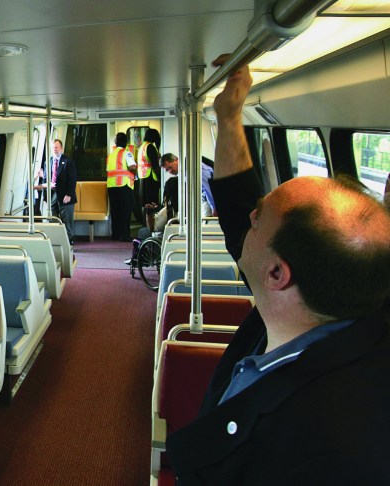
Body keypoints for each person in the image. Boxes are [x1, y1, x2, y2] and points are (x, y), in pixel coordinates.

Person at [165, 55, 390, 484]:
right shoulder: (331, 300)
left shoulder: (334, 447)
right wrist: (229, 116)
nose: (246, 219)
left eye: (259, 219)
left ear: (277, 275)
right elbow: (237, 209)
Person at [106, 132, 137, 241]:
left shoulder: (111, 155)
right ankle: (125, 235)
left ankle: (115, 234)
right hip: (124, 185)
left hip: (111, 186)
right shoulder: (127, 153)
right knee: (126, 210)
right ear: (126, 142)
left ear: (116, 142)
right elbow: (132, 167)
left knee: (115, 211)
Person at [48, 139, 77, 244]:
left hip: (66, 195)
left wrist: (69, 194)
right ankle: (57, 240)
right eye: (53, 147)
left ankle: (69, 240)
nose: (54, 149)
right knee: (53, 217)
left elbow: (72, 180)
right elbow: (48, 178)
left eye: (56, 147)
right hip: (52, 194)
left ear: (61, 148)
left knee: (67, 220)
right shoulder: (49, 161)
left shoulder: (68, 162)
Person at [137, 128, 162, 211]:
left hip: (143, 176)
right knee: (152, 203)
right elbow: (155, 164)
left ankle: (146, 222)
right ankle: (152, 223)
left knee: (146, 203)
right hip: (151, 176)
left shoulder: (142, 147)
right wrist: (160, 178)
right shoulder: (150, 146)